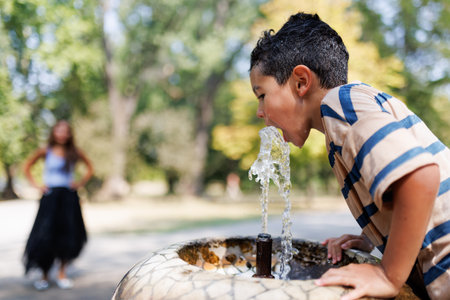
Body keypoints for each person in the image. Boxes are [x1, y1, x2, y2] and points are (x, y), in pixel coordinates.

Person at [249, 12, 449, 300]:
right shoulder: (340, 126)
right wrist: (375, 238)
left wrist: (388, 274)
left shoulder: (341, 104)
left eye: (261, 95)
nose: (259, 111)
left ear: (300, 82)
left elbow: (421, 175)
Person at [23, 120, 93, 291]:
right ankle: (45, 275)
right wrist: (37, 185)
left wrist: (79, 183)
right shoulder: (45, 151)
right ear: (54, 133)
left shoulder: (74, 152)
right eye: (59, 131)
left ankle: (62, 273)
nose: (62, 134)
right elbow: (27, 167)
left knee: (67, 235)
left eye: (65, 131)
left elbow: (89, 167)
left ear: (69, 134)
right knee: (46, 235)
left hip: (68, 198)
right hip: (50, 197)